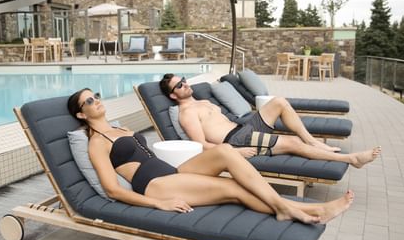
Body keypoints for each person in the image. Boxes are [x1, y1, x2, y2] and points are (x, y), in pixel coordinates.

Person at [67, 87, 355, 224]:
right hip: (154, 184)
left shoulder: (121, 127)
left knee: (227, 151)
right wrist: (157, 203)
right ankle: (304, 211)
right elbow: (112, 189)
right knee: (232, 188)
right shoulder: (96, 143)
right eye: (89, 101)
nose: (96, 102)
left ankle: (286, 208)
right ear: (82, 113)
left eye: (96, 96)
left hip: (170, 170)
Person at [159, 73, 381, 168]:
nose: (185, 85)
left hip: (242, 128)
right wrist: (234, 152)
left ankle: (313, 142)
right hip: (236, 140)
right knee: (292, 143)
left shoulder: (201, 101)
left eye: (185, 81)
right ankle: (351, 159)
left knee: (279, 102)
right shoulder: (186, 113)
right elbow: (201, 146)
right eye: (179, 86)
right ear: (172, 95)